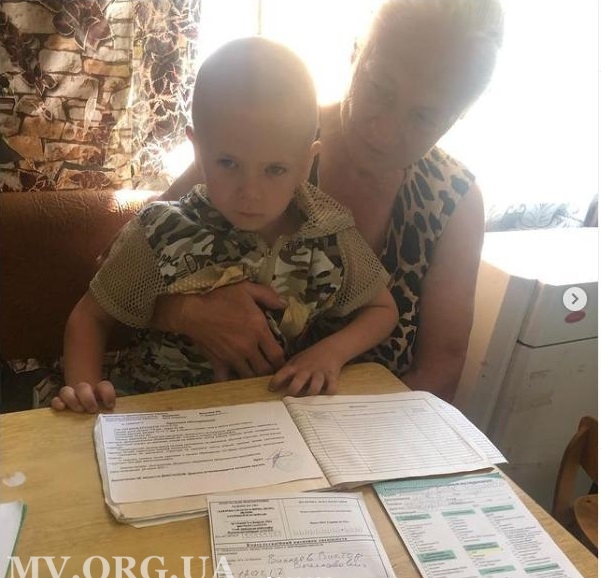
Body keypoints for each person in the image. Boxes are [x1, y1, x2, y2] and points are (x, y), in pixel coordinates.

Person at [150, 0, 504, 403]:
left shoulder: (453, 202)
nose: (385, 132)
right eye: (379, 88)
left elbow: (439, 371)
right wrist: (185, 312)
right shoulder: (267, 136)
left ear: (458, 117)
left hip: (365, 430)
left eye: (424, 117)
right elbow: (116, 266)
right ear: (355, 53)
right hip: (213, 411)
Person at [51, 37, 398, 413]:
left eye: (274, 170)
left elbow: (383, 310)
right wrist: (85, 392)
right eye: (228, 163)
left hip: (273, 419)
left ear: (305, 164)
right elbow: (90, 317)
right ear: (198, 150)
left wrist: (330, 353)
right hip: (158, 414)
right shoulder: (159, 230)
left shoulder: (330, 234)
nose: (250, 193)